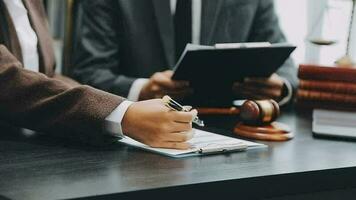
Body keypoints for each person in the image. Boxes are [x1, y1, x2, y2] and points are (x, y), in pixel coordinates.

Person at [0, 0, 196, 149]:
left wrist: (124, 108)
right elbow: (9, 81)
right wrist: (124, 115)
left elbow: (46, 75)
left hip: (37, 154)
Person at [71, 0, 297, 106]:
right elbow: (89, 72)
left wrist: (282, 87)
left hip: (233, 132)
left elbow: (286, 65)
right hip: (135, 138)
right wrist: (141, 90)